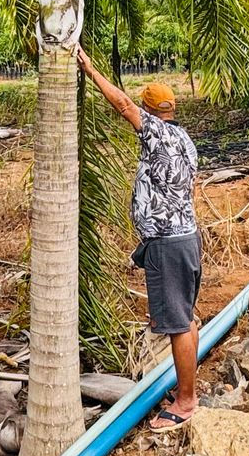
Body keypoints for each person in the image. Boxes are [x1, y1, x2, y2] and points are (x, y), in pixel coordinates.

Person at [76, 47, 201, 429]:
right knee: (188, 320)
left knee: (178, 324)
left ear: (150, 111)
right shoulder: (184, 139)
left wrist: (92, 70)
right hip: (186, 239)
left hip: (168, 244)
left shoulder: (157, 134)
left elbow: (123, 105)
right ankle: (186, 389)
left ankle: (186, 402)